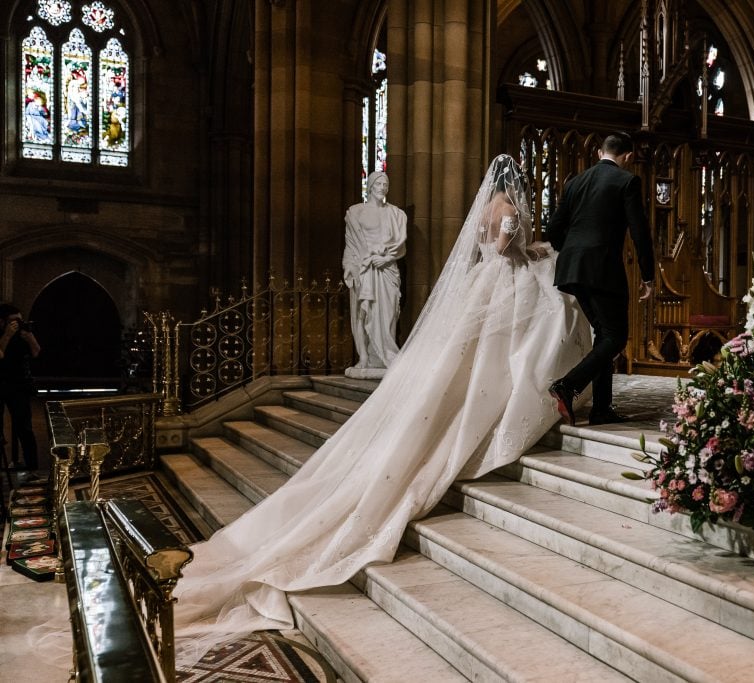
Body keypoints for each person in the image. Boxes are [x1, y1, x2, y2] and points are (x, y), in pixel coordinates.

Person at [170, 155, 591, 661]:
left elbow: (488, 248)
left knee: (471, 367)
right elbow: (505, 248)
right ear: (513, 186)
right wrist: (529, 245)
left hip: (488, 285)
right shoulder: (507, 209)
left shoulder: (487, 206)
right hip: (505, 283)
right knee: (513, 352)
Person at [546, 132, 656, 425]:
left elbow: (554, 227)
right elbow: (639, 231)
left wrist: (570, 251)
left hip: (572, 267)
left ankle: (601, 408)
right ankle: (567, 385)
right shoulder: (627, 181)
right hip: (603, 268)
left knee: (604, 335)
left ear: (599, 152)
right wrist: (648, 275)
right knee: (616, 337)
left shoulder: (575, 182)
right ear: (628, 157)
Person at [342, 171, 406, 374]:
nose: (383, 187)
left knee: (389, 313)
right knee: (362, 312)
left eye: (386, 184)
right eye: (379, 184)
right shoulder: (355, 212)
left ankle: (385, 354)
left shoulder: (396, 214)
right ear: (370, 186)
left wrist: (386, 258)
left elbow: (401, 247)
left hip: (387, 269)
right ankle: (363, 357)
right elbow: (351, 245)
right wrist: (350, 268)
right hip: (363, 268)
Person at [0, 304, 42, 471]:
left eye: (20, 320)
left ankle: (33, 468)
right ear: (2, 322)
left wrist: (29, 337)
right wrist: (7, 335)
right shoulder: (4, 333)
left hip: (19, 385)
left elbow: (36, 351)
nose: (18, 323)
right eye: (13, 321)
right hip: (1, 383)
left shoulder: (23, 334)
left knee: (25, 427)